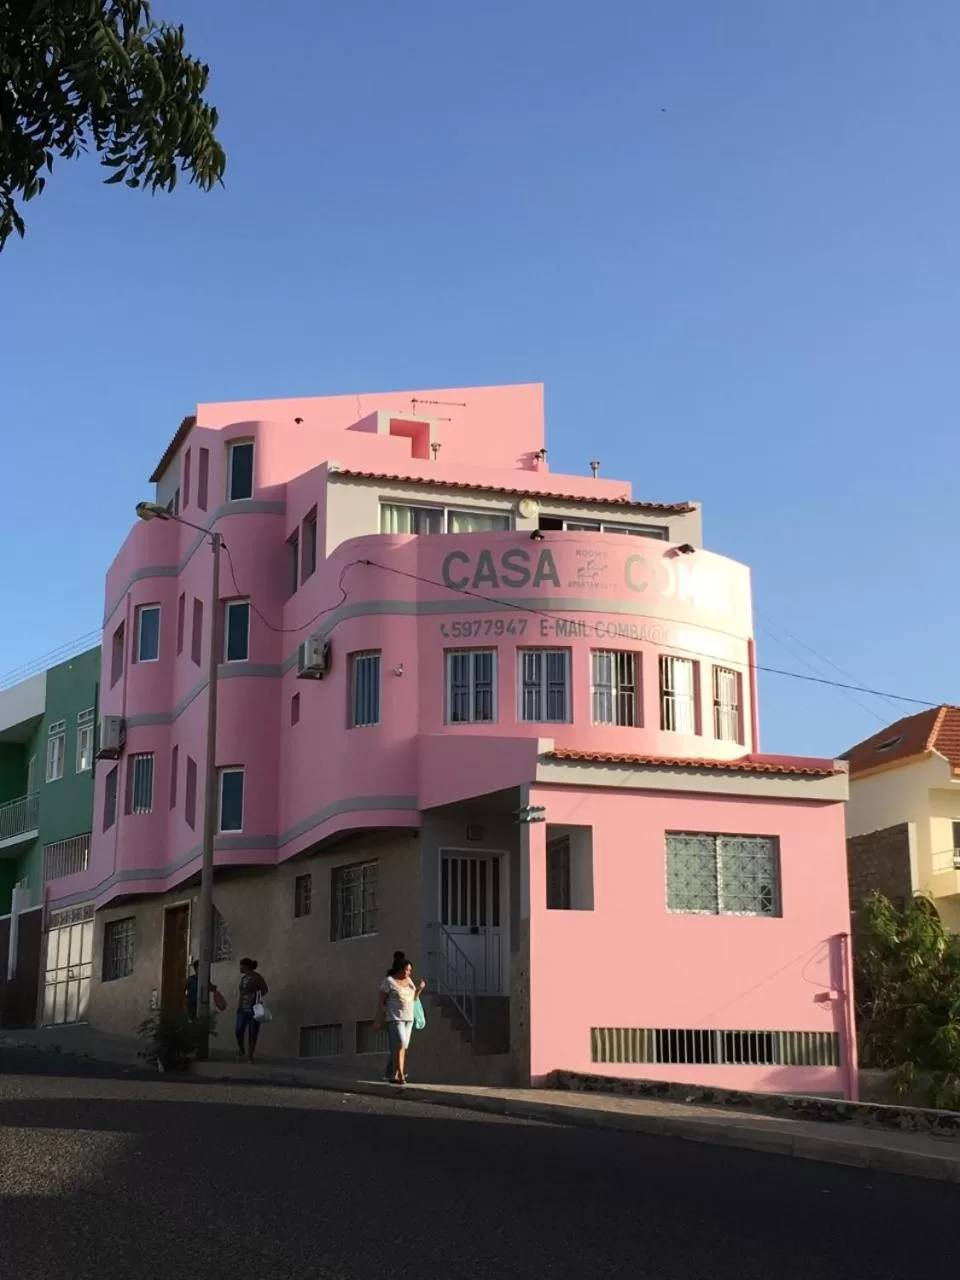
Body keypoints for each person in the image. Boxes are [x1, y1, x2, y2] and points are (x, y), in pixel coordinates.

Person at [374, 957, 424, 1085]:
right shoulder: (389, 981)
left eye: (410, 971)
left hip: (409, 1018)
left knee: (403, 1047)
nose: (408, 973)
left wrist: (419, 989)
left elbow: (414, 998)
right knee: (401, 1044)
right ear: (400, 969)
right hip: (395, 1018)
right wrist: (378, 1020)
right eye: (407, 970)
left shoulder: (409, 981)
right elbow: (381, 1001)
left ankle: (395, 1074)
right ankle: (401, 1075)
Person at [235, 957, 268, 1063]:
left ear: (245, 966)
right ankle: (241, 1049)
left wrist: (255, 996)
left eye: (241, 965)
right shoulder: (243, 978)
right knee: (238, 1030)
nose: (239, 967)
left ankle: (250, 1055)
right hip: (242, 1009)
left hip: (253, 1009)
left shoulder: (257, 977)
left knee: (252, 1032)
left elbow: (264, 989)